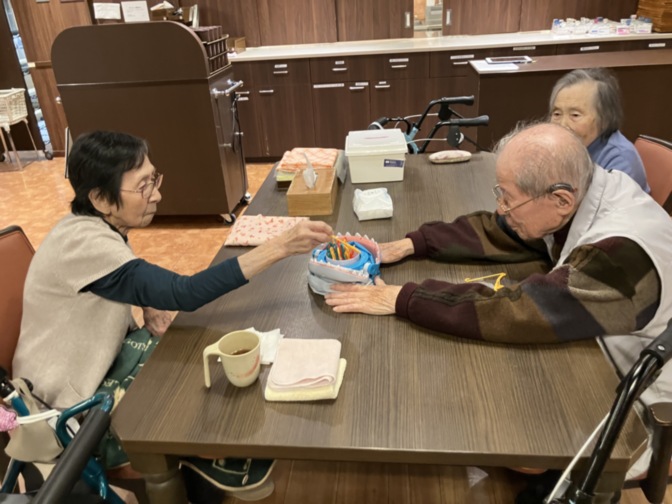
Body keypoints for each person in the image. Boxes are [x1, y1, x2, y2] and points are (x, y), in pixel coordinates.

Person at [325, 122, 672, 490]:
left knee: (485, 414)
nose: (501, 208)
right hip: (596, 346)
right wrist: (413, 244)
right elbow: (503, 230)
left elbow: (521, 310)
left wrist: (403, 297)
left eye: (508, 198)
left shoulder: (620, 253)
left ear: (561, 200)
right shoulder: (582, 190)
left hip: (635, 401)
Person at [13, 130, 333, 503]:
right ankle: (200, 460)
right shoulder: (82, 243)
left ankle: (211, 461)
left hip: (99, 364)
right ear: (100, 198)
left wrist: (146, 300)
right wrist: (280, 245)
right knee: (195, 378)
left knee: (202, 352)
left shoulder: (93, 227)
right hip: (64, 408)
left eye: (154, 179)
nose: (157, 195)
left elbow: (119, 278)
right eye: (143, 186)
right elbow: (184, 292)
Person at [548, 67, 649, 192]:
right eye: (557, 114)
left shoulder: (619, 162)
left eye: (575, 115)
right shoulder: (567, 147)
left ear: (604, 119)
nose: (562, 125)